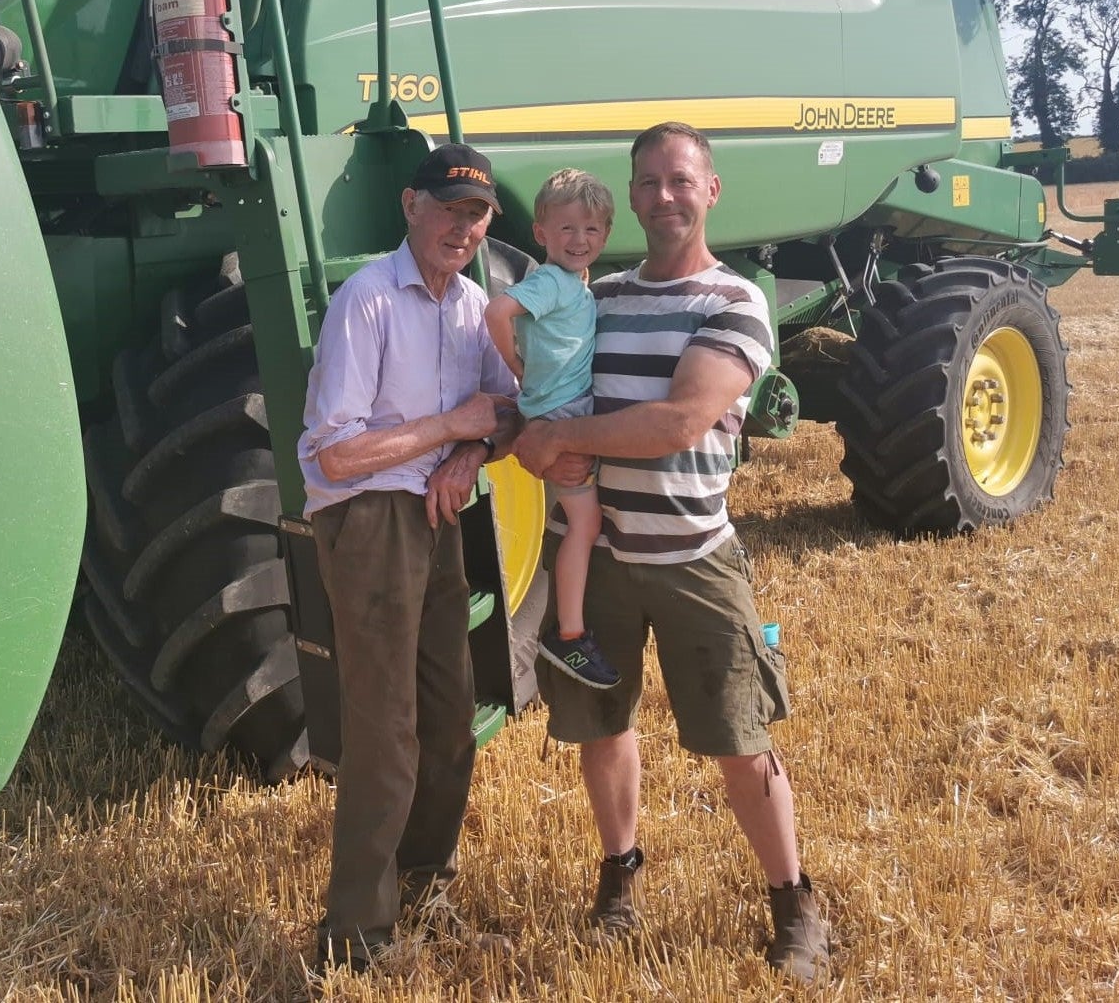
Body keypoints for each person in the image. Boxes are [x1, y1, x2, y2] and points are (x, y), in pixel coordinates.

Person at [512, 122, 831, 983]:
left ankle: (794, 902)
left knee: (740, 738)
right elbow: (535, 375)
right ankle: (619, 880)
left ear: (711, 190)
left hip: (694, 558)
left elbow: (678, 422)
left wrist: (558, 437)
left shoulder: (732, 303)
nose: (664, 196)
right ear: (631, 194)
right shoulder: (600, 296)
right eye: (648, 182)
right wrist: (518, 433)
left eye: (680, 180)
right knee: (601, 726)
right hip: (601, 557)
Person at [297, 142, 518, 976]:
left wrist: (469, 456)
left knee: (449, 716)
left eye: (478, 214)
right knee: (385, 728)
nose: (463, 227)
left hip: (435, 510)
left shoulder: (473, 307)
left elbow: (509, 410)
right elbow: (335, 459)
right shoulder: (366, 300)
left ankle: (426, 892)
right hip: (368, 518)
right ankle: (357, 938)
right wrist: (448, 432)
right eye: (450, 209)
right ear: (410, 206)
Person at [483, 168, 620, 691]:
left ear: (605, 235)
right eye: (566, 229)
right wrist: (517, 364)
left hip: (566, 406)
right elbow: (498, 310)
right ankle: (569, 634)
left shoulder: (575, 285)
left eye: (590, 230)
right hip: (561, 414)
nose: (579, 240)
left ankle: (574, 618)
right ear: (540, 233)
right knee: (585, 524)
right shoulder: (552, 281)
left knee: (581, 520)